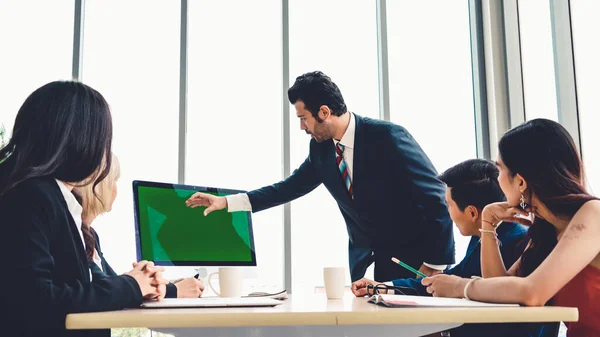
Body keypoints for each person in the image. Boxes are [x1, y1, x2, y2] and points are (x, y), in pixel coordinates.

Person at [186, 71, 455, 282]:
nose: (302, 127)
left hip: (417, 265)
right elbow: (288, 188)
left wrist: (435, 263)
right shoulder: (321, 149)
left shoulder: (388, 137)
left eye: (304, 118)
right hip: (367, 268)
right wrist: (227, 202)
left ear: (324, 112)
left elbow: (435, 196)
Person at [0, 81, 168, 337]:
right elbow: (37, 300)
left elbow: (75, 287)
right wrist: (131, 285)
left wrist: (136, 283)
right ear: (81, 139)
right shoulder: (30, 196)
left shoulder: (43, 193)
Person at [422, 119, 600, 337]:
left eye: (500, 171)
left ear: (521, 182)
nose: (497, 180)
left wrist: (460, 287)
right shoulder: (547, 232)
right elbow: (500, 288)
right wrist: (488, 222)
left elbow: (532, 292)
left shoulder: (594, 214)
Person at [351, 158, 550, 337]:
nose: (448, 213)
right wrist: (385, 287)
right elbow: (443, 282)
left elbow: (502, 314)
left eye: (449, 205)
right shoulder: (483, 236)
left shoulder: (516, 242)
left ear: (472, 213)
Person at [74, 153, 205, 298]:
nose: (116, 189)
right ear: (96, 185)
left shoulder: (91, 234)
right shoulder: (74, 234)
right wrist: (172, 290)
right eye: (113, 180)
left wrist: (160, 284)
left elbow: (110, 281)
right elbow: (103, 288)